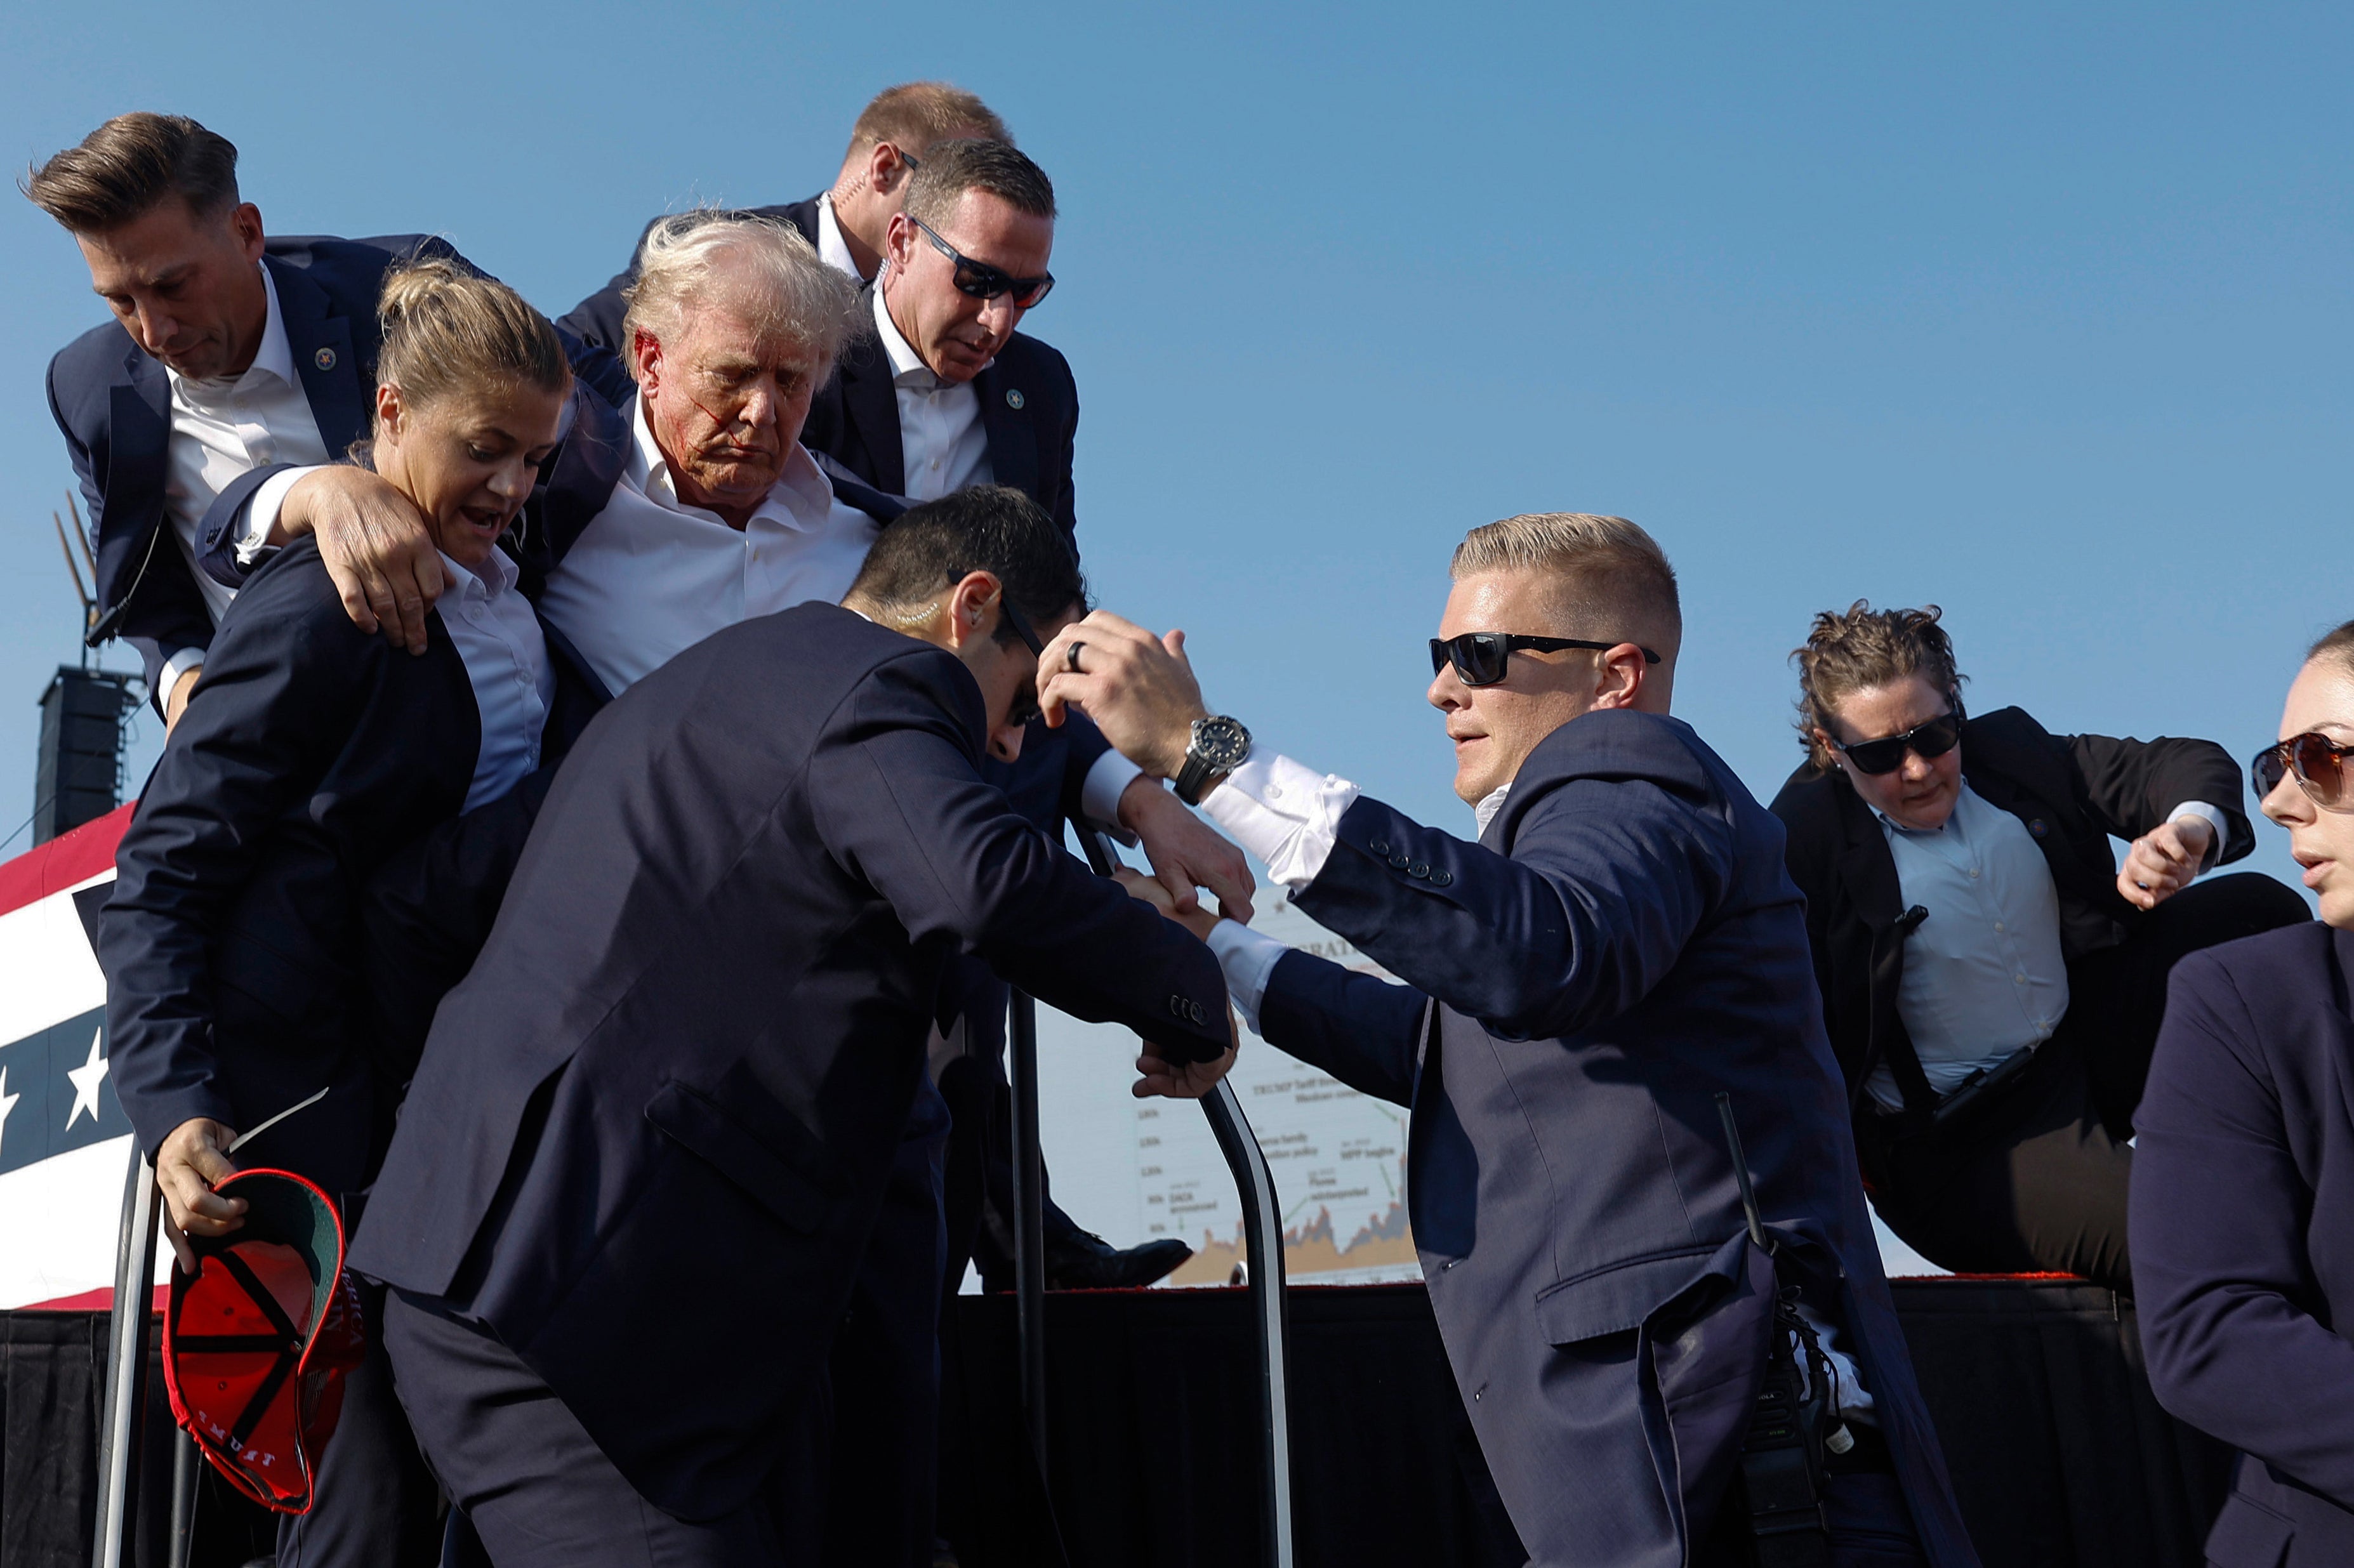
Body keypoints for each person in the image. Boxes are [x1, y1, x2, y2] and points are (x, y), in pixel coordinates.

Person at [1046, 513, 1976, 1567]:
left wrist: (1205, 754)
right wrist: (1219, 953)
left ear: (1613, 677)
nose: (1443, 688)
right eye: (1437, 657)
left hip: (1749, 1487)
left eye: (1480, 657)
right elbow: (1455, 1046)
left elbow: (1540, 954)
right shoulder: (1591, 857)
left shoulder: (1632, 770)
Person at [346, 487, 1234, 1568]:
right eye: (1027, 695)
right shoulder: (877, 690)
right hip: (570, 1299)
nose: (1012, 749)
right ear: (972, 607)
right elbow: (982, 886)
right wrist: (1183, 991)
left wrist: (1105, 906)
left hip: (556, 1283)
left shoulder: (734, 681)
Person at [97, 260, 585, 1568]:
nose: (513, 488)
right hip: (309, 1115)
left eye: (536, 460)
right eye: (486, 450)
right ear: (387, 412)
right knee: (357, 1504)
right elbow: (163, 866)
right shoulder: (323, 605)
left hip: (438, 1099)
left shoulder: (506, 585)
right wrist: (174, 1100)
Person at [1769, 603, 2305, 1293]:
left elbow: (2178, 765)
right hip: (1964, 1150)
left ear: (1955, 708)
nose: (1915, 769)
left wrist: (2187, 833)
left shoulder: (2012, 751)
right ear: (1829, 748)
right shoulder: (1796, 840)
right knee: (2210, 1232)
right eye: (1877, 753)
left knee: (2259, 912)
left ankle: (2286, 1135)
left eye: (1933, 735)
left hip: (2077, 1049)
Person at [25, 112, 617, 724]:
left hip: (482, 704)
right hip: (279, 752)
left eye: (173, 286)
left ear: (247, 231)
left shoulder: (398, 290)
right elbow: (143, 593)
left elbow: (573, 379)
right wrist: (185, 685)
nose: (153, 331)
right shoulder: (85, 387)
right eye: (120, 301)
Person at [2131, 621, 2354, 1565]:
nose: (2276, 801)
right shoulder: (2243, 1001)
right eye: (2276, 761)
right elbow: (2207, 1325)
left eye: (2319, 760)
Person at [559, 79, 1008, 348]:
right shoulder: (714, 249)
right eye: (951, 187)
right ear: (886, 168)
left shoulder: (951, 335)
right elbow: (574, 357)